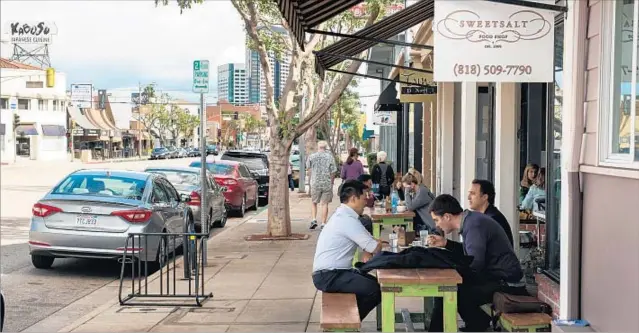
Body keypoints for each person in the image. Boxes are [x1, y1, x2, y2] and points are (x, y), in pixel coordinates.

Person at [426, 194, 524, 332]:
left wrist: (451, 271)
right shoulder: (471, 221)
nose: (436, 225)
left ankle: (476, 324)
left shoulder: (474, 225)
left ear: (447, 216)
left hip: (507, 281)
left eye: (436, 220)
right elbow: (471, 256)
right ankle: (477, 323)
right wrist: (446, 243)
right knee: (449, 289)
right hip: (496, 275)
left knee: (450, 290)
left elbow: (475, 264)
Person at [312, 180, 384, 320]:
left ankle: (348, 318)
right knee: (374, 290)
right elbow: (373, 247)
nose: (366, 202)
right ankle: (347, 322)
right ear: (353, 198)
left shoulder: (343, 215)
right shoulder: (347, 220)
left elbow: (368, 243)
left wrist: (373, 243)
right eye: (364, 198)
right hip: (329, 276)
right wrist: (378, 242)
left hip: (333, 272)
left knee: (375, 283)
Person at [468, 179, 514, 247]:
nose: (468, 197)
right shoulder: (487, 217)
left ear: (485, 197)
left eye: (473, 193)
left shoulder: (492, 219)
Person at [307, 141, 337, 230]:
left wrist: (310, 180)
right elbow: (333, 171)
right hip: (326, 183)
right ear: (326, 147)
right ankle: (323, 223)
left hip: (315, 182)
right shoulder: (330, 157)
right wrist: (331, 182)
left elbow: (309, 169)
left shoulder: (312, 156)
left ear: (318, 147)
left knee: (314, 202)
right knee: (325, 204)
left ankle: (313, 219)